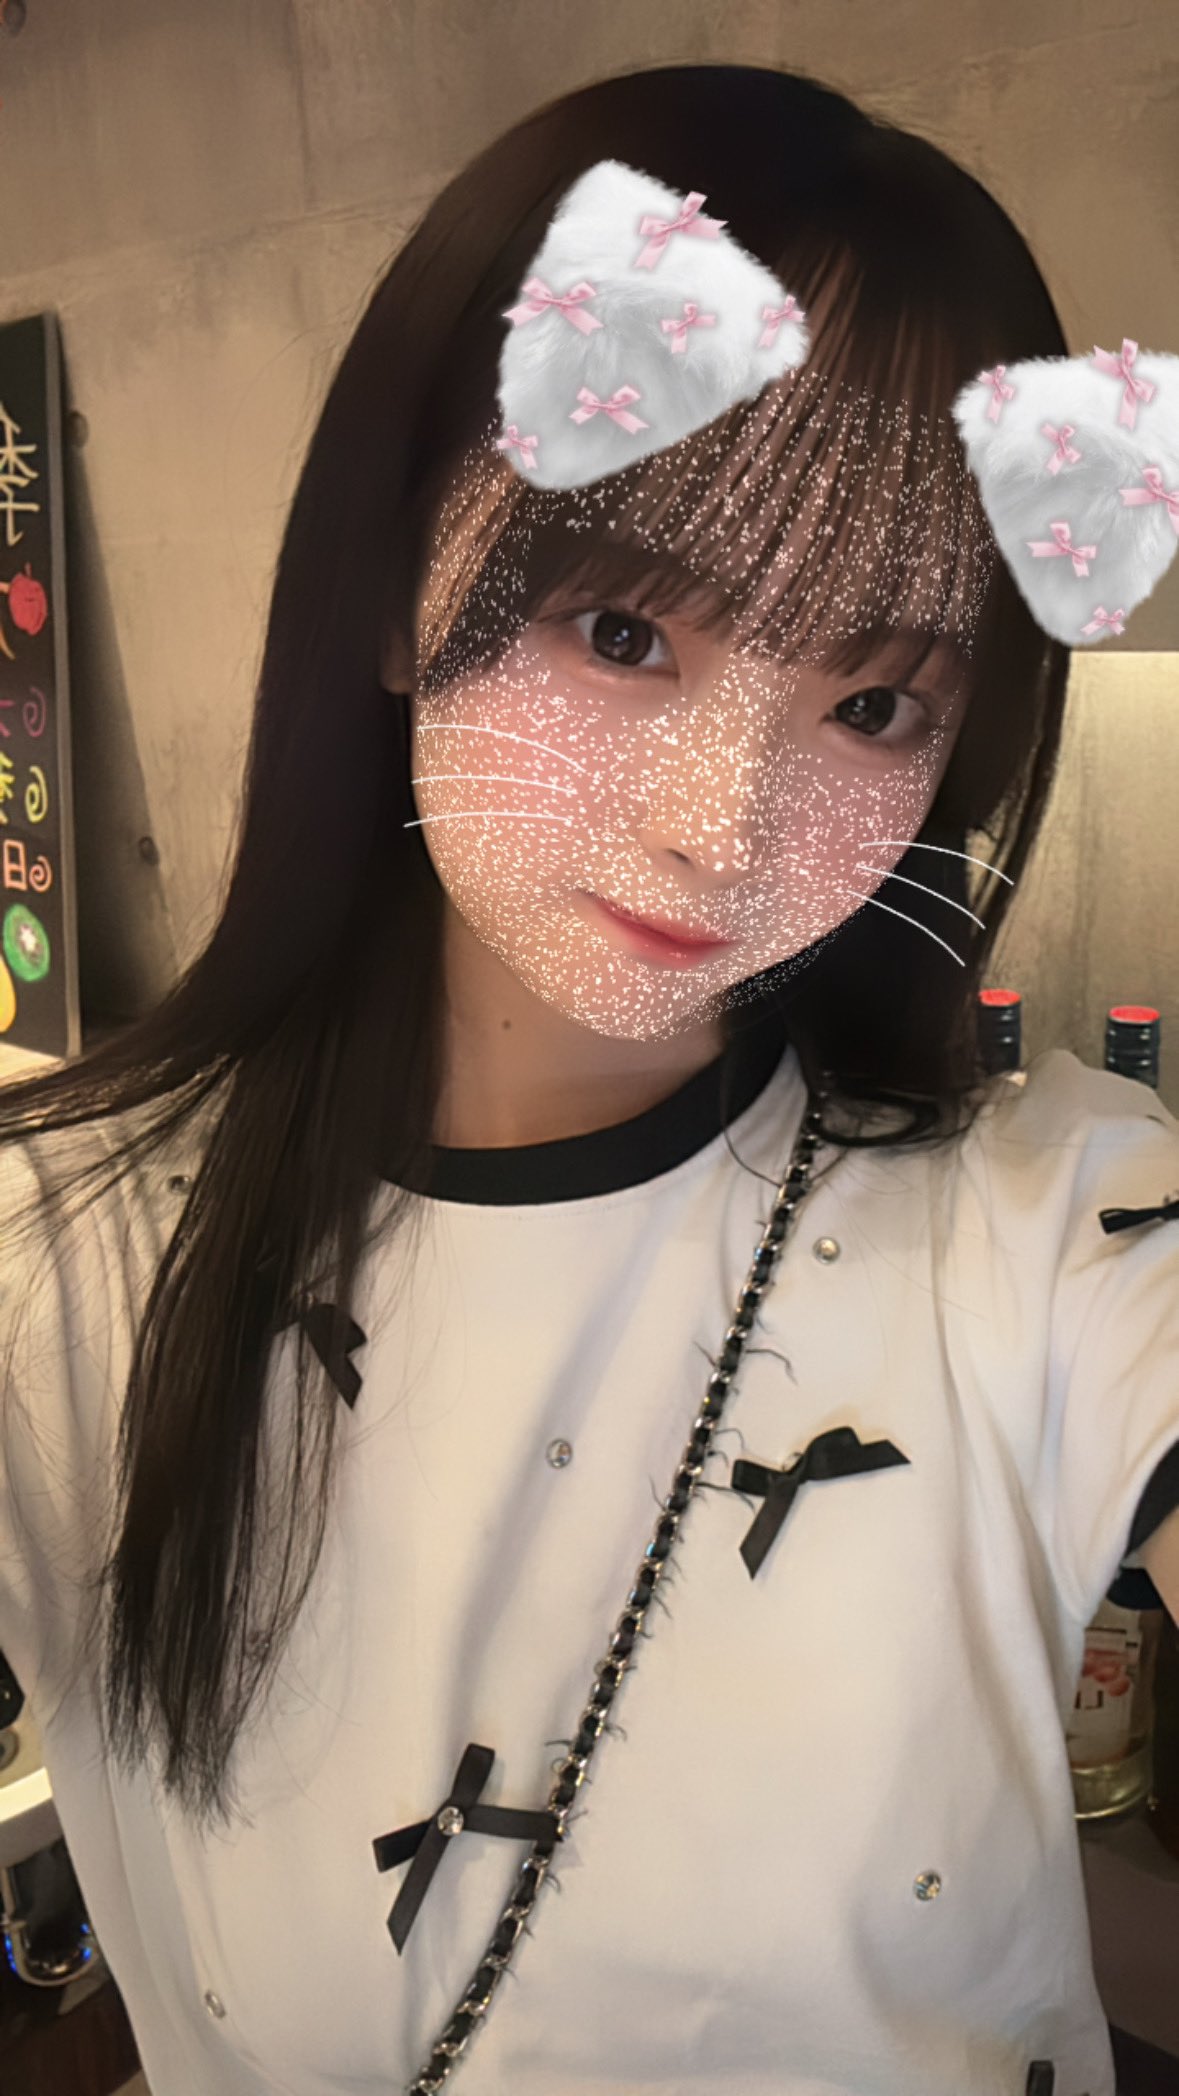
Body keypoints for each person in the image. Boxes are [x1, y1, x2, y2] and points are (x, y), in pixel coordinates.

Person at [1, 61, 1177, 2096]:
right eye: (624, 629)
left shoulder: (1044, 1227)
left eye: (874, 701)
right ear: (395, 589)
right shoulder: (58, 1256)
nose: (722, 826)